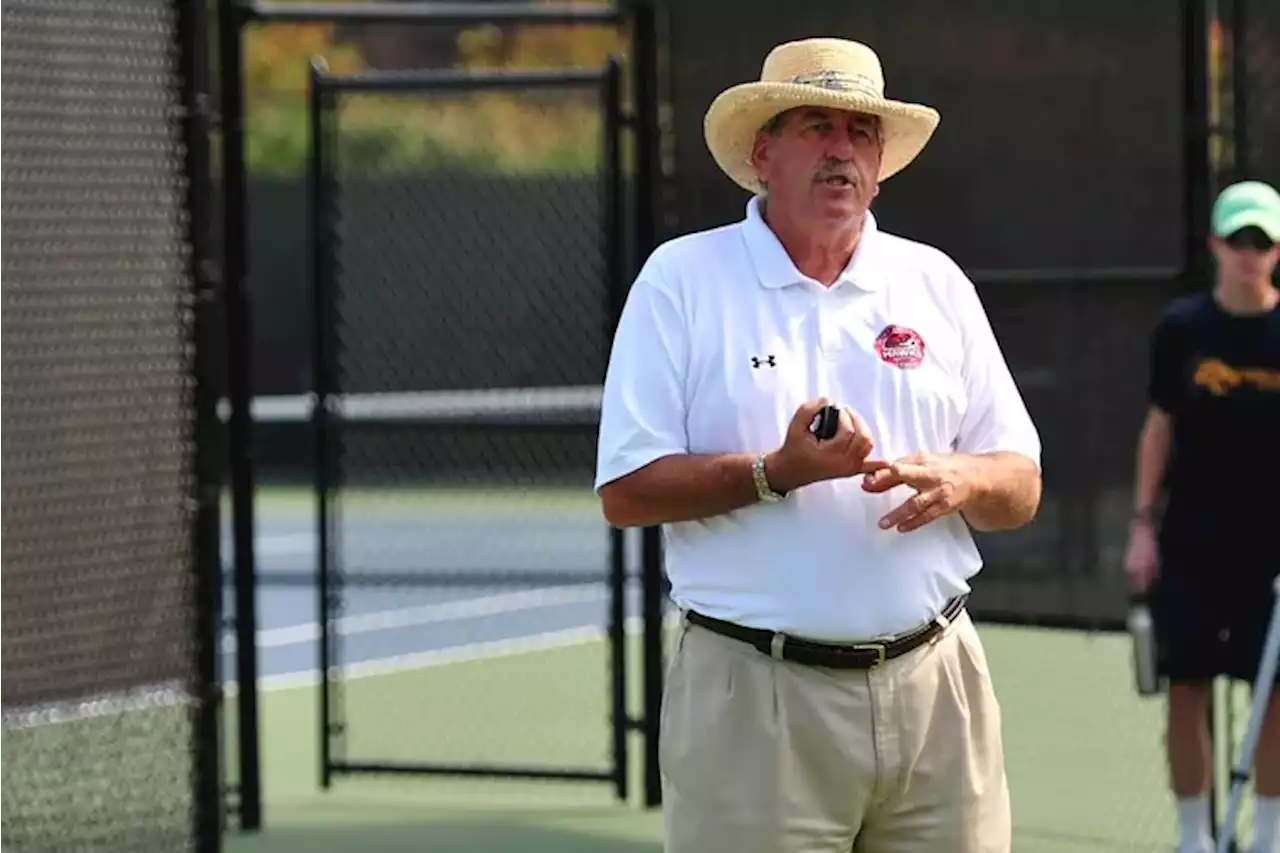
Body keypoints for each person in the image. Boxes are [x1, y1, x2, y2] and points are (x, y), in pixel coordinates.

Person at [593, 37, 1042, 853]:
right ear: (764, 152)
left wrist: (963, 478)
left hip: (938, 688)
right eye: (817, 125)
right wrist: (777, 472)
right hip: (753, 702)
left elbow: (1020, 480)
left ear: (879, 161)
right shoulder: (681, 279)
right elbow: (628, 490)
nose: (842, 149)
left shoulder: (934, 280)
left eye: (862, 131)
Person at [1124, 179, 1280, 853]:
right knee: (1184, 688)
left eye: (1263, 241)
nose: (1250, 252)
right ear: (1216, 243)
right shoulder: (1183, 330)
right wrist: (1139, 524)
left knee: (1276, 693)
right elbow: (1159, 426)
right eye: (1239, 239)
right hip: (1191, 541)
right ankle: (1194, 838)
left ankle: (1269, 836)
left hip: (1272, 549)